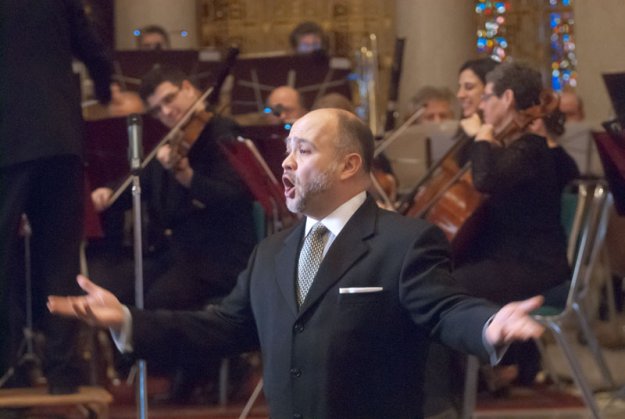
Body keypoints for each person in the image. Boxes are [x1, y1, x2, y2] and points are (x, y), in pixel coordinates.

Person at [49, 108, 545, 418]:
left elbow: (443, 309)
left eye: (302, 151)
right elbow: (222, 326)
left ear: (350, 165)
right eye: (287, 151)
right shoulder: (271, 253)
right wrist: (129, 321)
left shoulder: (407, 242)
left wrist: (488, 324)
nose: (285, 163)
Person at [88, 65, 257, 400]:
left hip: (223, 254)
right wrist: (108, 193)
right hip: (180, 254)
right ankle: (152, 367)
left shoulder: (223, 132)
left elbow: (234, 195)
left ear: (189, 88)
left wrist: (187, 177)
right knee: (114, 283)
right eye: (157, 108)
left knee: (163, 297)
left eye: (169, 99)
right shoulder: (168, 145)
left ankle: (200, 371)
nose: (166, 112)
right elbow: (140, 182)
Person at [0, 0, 112, 394]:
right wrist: (103, 85)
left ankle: (7, 369)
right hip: (59, 138)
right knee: (60, 259)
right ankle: (64, 372)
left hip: (6, 141)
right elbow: (91, 46)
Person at [454, 62, 574, 386]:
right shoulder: (516, 146)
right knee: (448, 278)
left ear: (506, 98)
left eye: (487, 96)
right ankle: (483, 374)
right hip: (514, 259)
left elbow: (485, 179)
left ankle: (461, 384)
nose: (481, 104)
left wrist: (482, 137)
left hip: (536, 264)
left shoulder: (530, 149)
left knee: (447, 287)